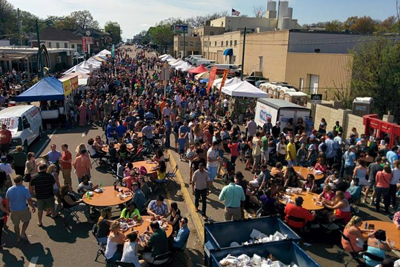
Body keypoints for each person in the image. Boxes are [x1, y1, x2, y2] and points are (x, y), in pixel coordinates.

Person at [6, 175, 36, 242]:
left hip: (13, 209)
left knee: (16, 224)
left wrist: (8, 208)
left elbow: (7, 199)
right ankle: (22, 232)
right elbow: (29, 200)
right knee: (27, 220)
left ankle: (18, 237)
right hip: (23, 208)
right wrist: (33, 207)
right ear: (21, 181)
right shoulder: (24, 189)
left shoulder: (10, 189)